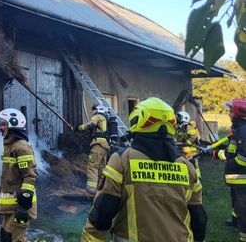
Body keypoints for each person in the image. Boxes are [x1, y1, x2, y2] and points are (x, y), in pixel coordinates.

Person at [81, 97, 206, 242]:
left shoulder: (122, 160)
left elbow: (103, 212)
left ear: (138, 121)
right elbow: (199, 218)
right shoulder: (187, 167)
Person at [0, 108, 37, 242]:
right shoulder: (10, 146)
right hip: (10, 205)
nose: (0, 128)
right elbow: (11, 173)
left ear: (13, 124)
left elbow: (30, 175)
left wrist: (24, 203)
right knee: (6, 236)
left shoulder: (21, 147)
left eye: (3, 124)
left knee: (14, 239)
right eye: (0, 124)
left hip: (20, 205)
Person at [222, 99, 246, 240]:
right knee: (237, 204)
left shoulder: (243, 130)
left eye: (230, 111)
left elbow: (244, 158)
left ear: (238, 113)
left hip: (242, 178)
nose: (228, 114)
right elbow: (233, 150)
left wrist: (230, 164)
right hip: (237, 177)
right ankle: (236, 223)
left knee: (243, 209)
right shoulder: (238, 128)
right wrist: (220, 152)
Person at [76, 104, 109, 194]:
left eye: (93, 110)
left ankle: (91, 190)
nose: (92, 112)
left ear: (97, 110)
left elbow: (90, 125)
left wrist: (78, 128)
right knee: (102, 168)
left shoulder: (97, 116)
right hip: (105, 146)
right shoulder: (106, 119)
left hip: (98, 144)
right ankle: (103, 189)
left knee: (92, 166)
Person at [176, 111, 202, 177]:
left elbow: (194, 136)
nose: (177, 119)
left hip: (192, 149)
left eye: (179, 117)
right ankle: (188, 175)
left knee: (193, 162)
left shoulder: (187, 127)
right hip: (186, 149)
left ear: (184, 118)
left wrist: (187, 143)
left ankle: (197, 176)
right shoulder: (181, 127)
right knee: (186, 162)